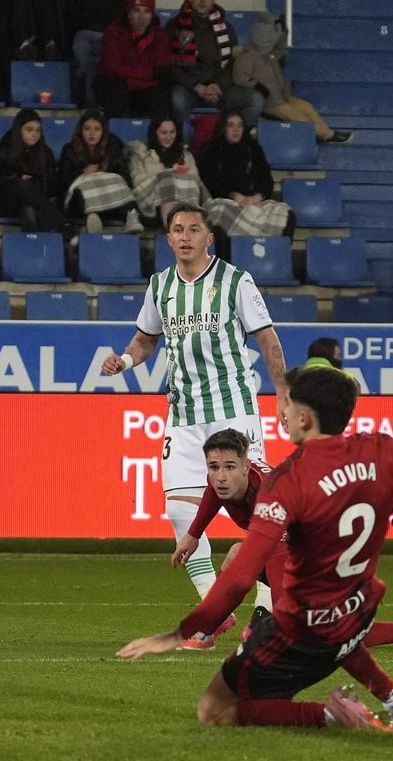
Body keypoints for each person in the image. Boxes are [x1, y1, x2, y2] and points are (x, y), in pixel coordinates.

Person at [120, 366, 393, 730]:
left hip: (303, 631)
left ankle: (333, 715)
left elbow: (239, 573)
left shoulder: (285, 482)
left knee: (215, 710)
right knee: (340, 625)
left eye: (286, 405)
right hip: (358, 610)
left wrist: (181, 632)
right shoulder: (383, 451)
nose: (281, 413)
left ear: (305, 419)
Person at [101, 202, 290, 646]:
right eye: (177, 230)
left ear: (210, 238)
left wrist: (282, 393)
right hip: (183, 414)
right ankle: (213, 610)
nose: (185, 236)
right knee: (177, 508)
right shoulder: (160, 285)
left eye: (194, 229)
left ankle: (265, 608)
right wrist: (125, 360)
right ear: (168, 239)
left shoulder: (235, 281)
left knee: (260, 511)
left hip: (233, 409)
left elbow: (267, 338)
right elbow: (146, 339)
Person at [170, 429, 393, 723]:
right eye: (214, 468)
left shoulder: (268, 493)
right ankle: (210, 628)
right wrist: (192, 535)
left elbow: (282, 553)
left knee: (310, 629)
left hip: (315, 557)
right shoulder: (225, 480)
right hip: (302, 548)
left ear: (245, 465)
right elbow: (212, 496)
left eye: (228, 468)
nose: (220, 477)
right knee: (238, 559)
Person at [231, 15, 351, 144]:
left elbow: (281, 49)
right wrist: (257, 85)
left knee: (306, 107)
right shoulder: (248, 56)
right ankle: (326, 135)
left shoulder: (270, 55)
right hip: (270, 103)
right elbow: (239, 76)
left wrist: (283, 32)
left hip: (283, 98)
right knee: (299, 117)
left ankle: (326, 132)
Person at [167, 0, 262, 128]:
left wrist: (218, 85)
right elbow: (170, 65)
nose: (202, 0)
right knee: (176, 99)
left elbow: (233, 64)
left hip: (220, 89)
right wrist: (198, 87)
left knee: (255, 99)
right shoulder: (175, 26)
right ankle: (184, 147)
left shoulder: (226, 27)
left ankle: (240, 142)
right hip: (189, 87)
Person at [199, 112, 293, 238]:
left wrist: (257, 196)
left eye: (240, 125)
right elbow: (209, 181)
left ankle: (276, 255)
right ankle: (226, 258)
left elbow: (266, 179)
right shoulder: (212, 149)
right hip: (224, 200)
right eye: (230, 125)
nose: (236, 129)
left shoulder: (253, 148)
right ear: (223, 128)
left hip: (252, 201)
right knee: (218, 213)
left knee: (286, 213)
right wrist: (233, 195)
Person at [95, 0, 172, 122]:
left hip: (143, 90)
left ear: (152, 15)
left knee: (160, 94)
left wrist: (127, 73)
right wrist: (149, 73)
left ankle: (158, 139)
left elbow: (161, 70)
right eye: (136, 11)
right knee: (116, 88)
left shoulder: (160, 36)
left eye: (147, 11)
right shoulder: (113, 33)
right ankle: (112, 136)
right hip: (117, 87)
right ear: (128, 13)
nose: (142, 17)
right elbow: (111, 69)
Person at [58, 109, 138, 234]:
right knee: (85, 183)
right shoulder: (69, 149)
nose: (92, 133)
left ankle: (131, 216)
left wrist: (102, 171)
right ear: (81, 131)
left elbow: (126, 179)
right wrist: (82, 172)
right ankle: (92, 217)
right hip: (79, 205)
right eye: (87, 129)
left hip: (110, 202)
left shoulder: (113, 148)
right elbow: (62, 184)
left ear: (103, 132)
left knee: (116, 179)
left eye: (96, 129)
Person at [0, 109, 58, 232]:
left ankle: (34, 247)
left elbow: (52, 188)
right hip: (2, 203)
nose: (35, 134)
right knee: (22, 184)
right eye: (29, 130)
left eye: (38, 130)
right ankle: (61, 224)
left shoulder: (45, 153)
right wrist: (14, 179)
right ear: (18, 130)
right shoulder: (3, 150)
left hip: (32, 202)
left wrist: (36, 182)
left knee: (28, 210)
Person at [128, 118, 207, 229]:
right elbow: (137, 181)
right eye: (163, 132)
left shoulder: (186, 154)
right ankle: (174, 228)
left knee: (189, 182)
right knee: (167, 179)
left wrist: (178, 177)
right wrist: (166, 175)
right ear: (155, 133)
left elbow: (195, 180)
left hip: (182, 201)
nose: (169, 137)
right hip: (150, 205)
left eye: (172, 132)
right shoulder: (140, 153)